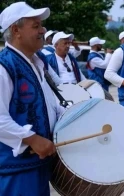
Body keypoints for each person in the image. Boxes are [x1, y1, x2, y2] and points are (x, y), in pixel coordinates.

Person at [0, 2, 64, 195]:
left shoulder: (37, 62)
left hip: (39, 164)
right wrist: (33, 139)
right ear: (15, 30)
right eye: (35, 26)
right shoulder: (4, 66)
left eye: (41, 26)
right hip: (17, 169)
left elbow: (50, 104)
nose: (43, 30)